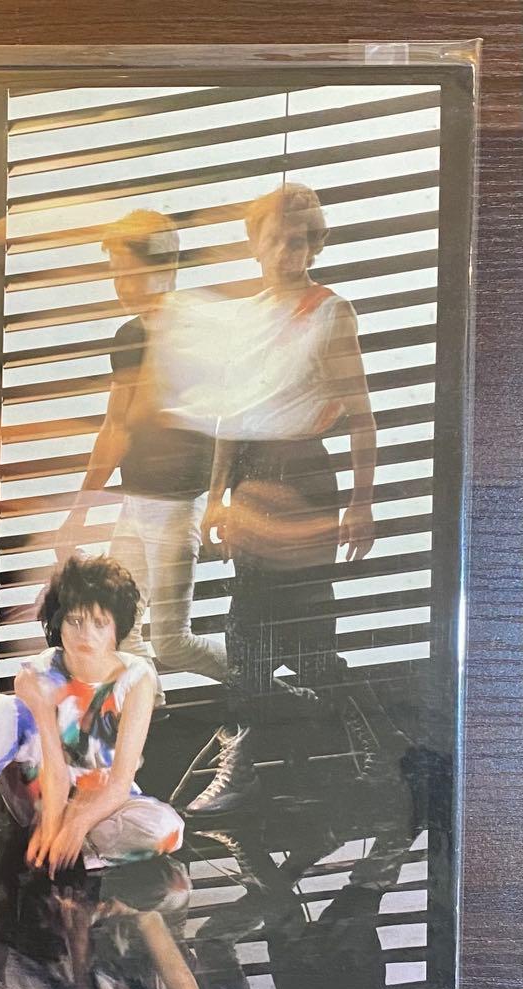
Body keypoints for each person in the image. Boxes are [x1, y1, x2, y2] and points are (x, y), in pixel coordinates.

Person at [184, 181, 379, 817]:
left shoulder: (331, 312)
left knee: (298, 639)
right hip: (250, 479)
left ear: (315, 245)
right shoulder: (243, 319)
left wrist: (361, 504)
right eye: (277, 239)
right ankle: (251, 765)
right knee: (250, 636)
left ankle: (378, 754)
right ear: (255, 244)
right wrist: (217, 496)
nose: (289, 251)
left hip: (304, 478)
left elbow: (361, 417)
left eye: (301, 240)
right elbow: (229, 417)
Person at [55, 211, 226, 686]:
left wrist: (219, 503)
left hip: (178, 505)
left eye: (130, 272)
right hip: (137, 502)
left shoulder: (200, 333)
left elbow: (226, 423)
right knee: (121, 628)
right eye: (116, 273)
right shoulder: (129, 337)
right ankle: (150, 711)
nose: (121, 285)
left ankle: (271, 692)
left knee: (172, 640)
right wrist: (79, 511)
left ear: (166, 264)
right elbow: (115, 427)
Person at [0, 555, 185, 878]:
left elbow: (120, 783)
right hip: (41, 793)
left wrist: (76, 824)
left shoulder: (137, 677)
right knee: (2, 709)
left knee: (167, 828)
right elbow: (53, 765)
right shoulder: (40, 671)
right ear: (58, 622)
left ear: (117, 627)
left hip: (103, 800)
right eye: (75, 621)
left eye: (99, 623)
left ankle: (61, 851)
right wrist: (52, 819)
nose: (86, 635)